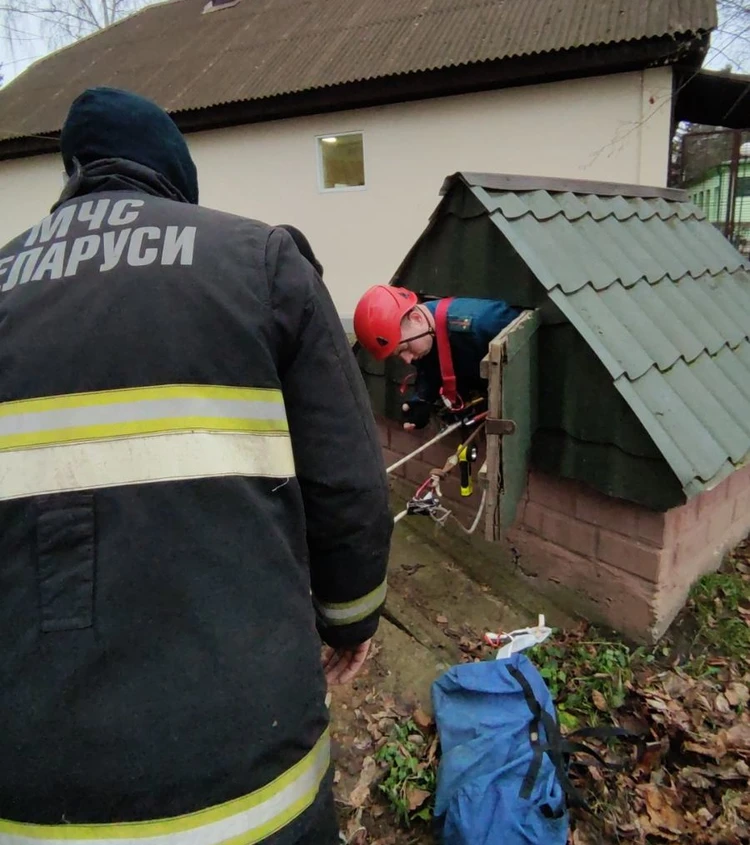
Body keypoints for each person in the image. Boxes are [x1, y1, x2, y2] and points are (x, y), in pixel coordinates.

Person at [0, 87, 392, 845]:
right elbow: (347, 482)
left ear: (74, 172)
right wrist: (350, 616)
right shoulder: (263, 264)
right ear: (175, 184)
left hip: (31, 797)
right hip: (248, 786)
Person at [353, 285, 520, 430]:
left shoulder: (484, 324)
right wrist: (422, 400)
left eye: (405, 348)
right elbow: (433, 367)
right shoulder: (425, 333)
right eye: (399, 354)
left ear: (417, 319)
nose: (408, 359)